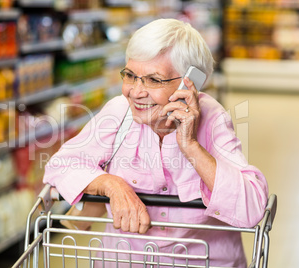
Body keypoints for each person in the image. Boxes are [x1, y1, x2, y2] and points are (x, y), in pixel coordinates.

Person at [43, 18, 268, 267]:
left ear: (189, 83)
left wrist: (190, 145)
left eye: (153, 80)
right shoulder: (119, 112)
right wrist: (111, 185)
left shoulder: (212, 118)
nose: (136, 91)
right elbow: (60, 165)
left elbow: (251, 207)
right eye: (130, 75)